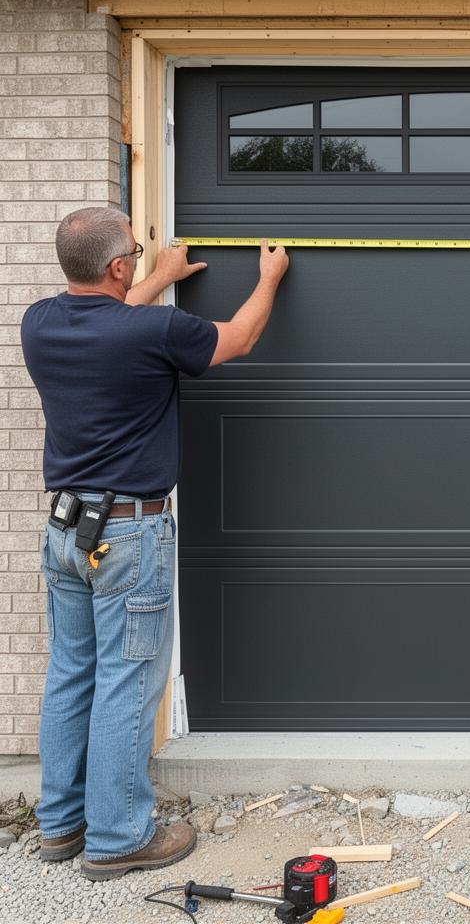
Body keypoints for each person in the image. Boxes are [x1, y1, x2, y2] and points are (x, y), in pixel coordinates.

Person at [21, 207, 289, 880]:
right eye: (135, 255)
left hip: (65, 532)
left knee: (71, 675)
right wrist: (270, 278)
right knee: (127, 682)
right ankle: (118, 838)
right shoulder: (153, 331)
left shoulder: (39, 323)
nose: (139, 261)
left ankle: (62, 825)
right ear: (117, 267)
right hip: (127, 535)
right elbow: (238, 339)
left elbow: (113, 319)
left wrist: (160, 276)